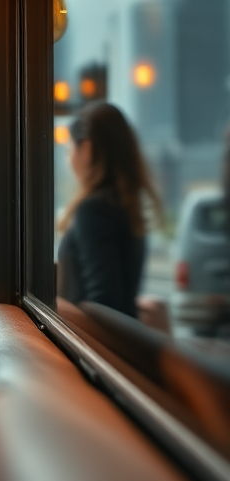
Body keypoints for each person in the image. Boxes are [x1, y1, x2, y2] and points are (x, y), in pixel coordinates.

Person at [57, 101, 163, 318]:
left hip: (90, 347)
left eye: (70, 149)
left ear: (86, 148)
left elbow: (104, 306)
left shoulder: (93, 210)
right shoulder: (123, 206)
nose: (69, 159)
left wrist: (54, 309)